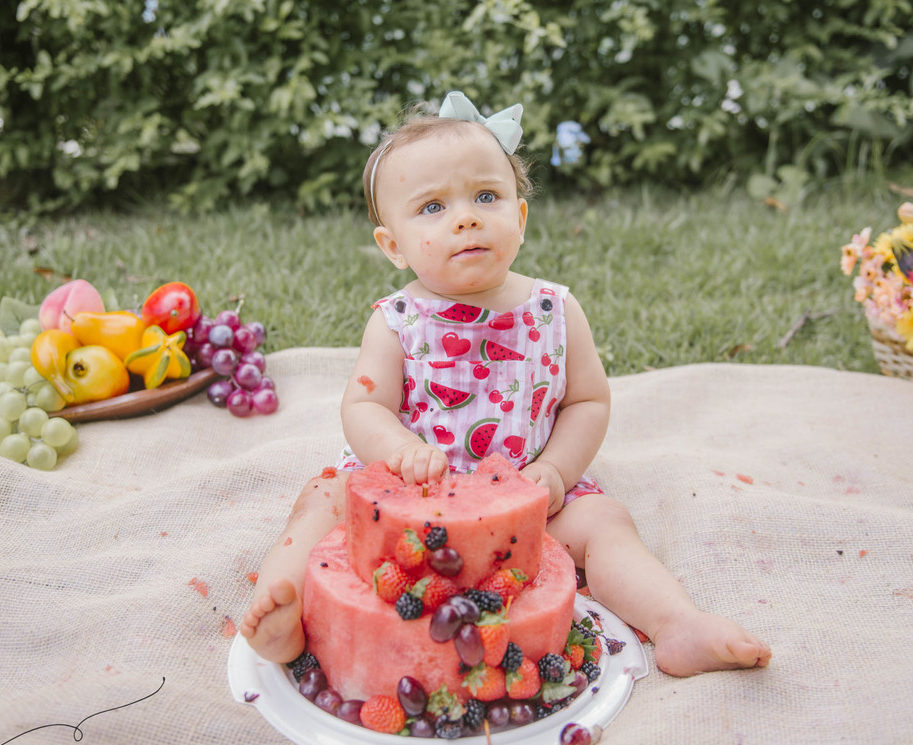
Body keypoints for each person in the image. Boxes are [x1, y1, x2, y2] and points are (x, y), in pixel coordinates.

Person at [240, 91, 771, 676]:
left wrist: (558, 471)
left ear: (518, 217)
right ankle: (283, 609)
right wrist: (398, 452)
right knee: (322, 502)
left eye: (486, 197)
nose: (466, 217)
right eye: (432, 207)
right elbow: (365, 403)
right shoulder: (397, 321)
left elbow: (588, 401)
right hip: (405, 507)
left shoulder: (555, 310)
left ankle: (677, 625)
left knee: (607, 524)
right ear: (393, 246)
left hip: (527, 510)